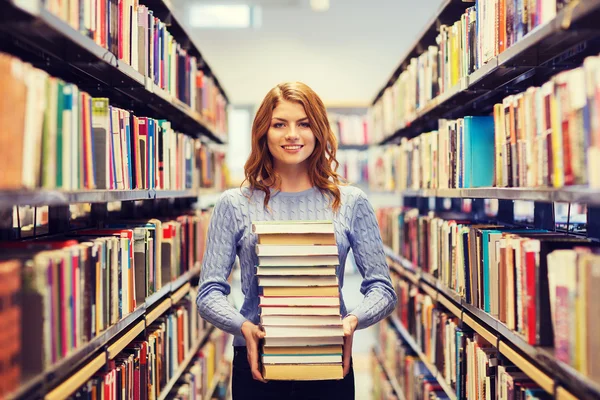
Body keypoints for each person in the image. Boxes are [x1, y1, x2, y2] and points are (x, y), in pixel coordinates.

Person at [196, 81, 397, 400]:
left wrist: (352, 321)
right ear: (263, 131)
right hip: (256, 362)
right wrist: (242, 327)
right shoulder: (234, 204)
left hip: (329, 360)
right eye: (280, 124)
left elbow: (382, 288)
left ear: (318, 130)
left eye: (304, 123)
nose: (292, 134)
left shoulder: (351, 202)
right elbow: (209, 293)